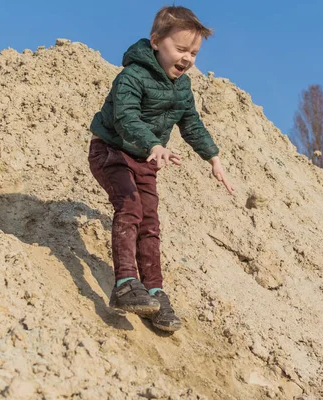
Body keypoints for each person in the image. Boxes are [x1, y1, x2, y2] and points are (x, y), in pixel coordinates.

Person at [88, 5, 234, 332]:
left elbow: (191, 124)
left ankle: (154, 291)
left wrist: (213, 158)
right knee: (130, 207)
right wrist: (154, 144)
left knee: (150, 222)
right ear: (156, 42)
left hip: (145, 160)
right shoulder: (131, 76)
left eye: (194, 53)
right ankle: (126, 282)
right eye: (181, 49)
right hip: (110, 150)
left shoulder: (182, 88)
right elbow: (126, 119)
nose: (187, 59)